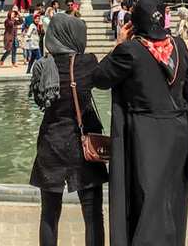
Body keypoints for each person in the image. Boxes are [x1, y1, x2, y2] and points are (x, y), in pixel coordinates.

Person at [93, 0, 188, 245]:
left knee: (145, 198)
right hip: (178, 130)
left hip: (146, 134)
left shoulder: (131, 51)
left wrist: (117, 43)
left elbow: (99, 77)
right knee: (171, 196)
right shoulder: (180, 47)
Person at [29, 13, 108, 246]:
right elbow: (105, 76)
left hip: (50, 144)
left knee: (49, 214)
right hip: (81, 146)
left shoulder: (42, 66)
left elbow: (38, 101)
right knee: (93, 214)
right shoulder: (86, 63)